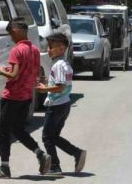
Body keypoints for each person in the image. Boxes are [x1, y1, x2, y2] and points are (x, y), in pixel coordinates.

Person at [0, 18, 51, 178]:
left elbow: (14, 75)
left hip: (12, 96)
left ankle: (4, 167)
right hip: (26, 96)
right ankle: (40, 154)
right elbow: (34, 72)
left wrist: (2, 71)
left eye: (11, 34)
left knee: (3, 131)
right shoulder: (34, 50)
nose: (11, 37)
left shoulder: (17, 50)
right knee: (18, 130)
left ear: (17, 31)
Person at [36, 33, 87, 175]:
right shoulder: (65, 64)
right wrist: (47, 82)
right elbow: (60, 83)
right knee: (53, 137)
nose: (48, 50)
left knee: (47, 137)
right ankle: (77, 153)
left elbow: (60, 87)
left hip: (56, 105)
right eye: (48, 47)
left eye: (51, 47)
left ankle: (54, 166)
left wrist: (44, 88)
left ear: (61, 48)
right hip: (64, 105)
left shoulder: (58, 65)